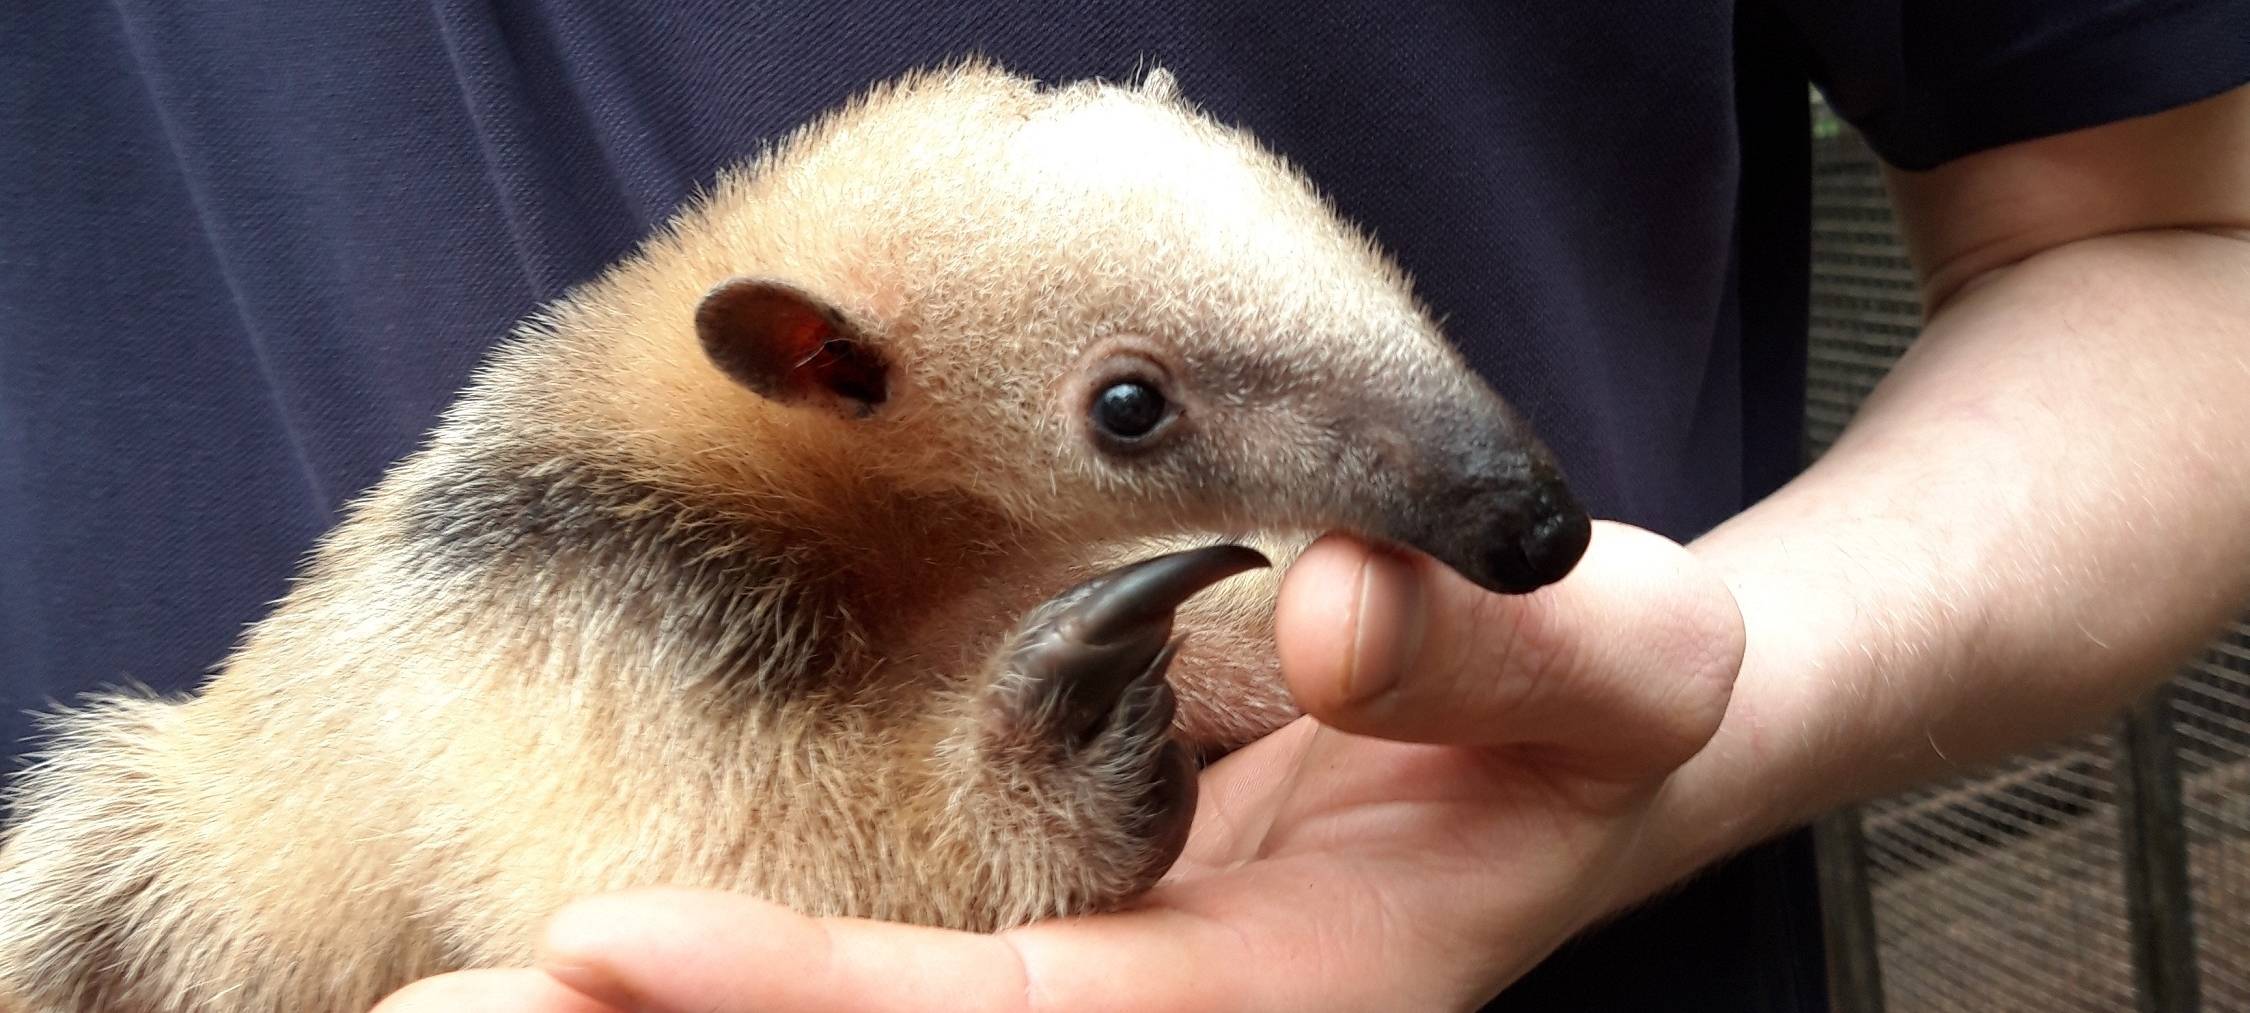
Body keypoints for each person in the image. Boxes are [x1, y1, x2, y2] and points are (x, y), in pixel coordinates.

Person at [4, 3, 2246, 1010]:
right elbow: (657, 871)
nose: (1478, 492)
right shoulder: (548, 591)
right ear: (815, 368)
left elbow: (2173, 246)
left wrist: (1662, 724)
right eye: (1143, 411)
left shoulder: (1053, 531)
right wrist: (1026, 798)